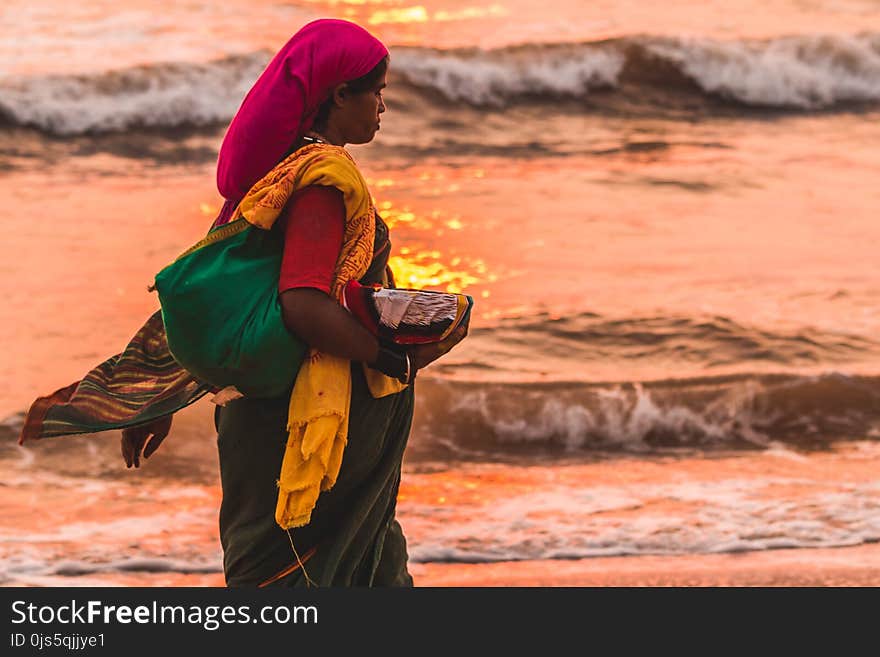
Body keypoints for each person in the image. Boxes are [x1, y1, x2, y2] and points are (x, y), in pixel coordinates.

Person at [21, 19, 469, 587]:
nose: (383, 106)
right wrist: (390, 359)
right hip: (303, 425)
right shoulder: (321, 182)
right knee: (291, 582)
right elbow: (301, 304)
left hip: (279, 421)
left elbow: (214, 300)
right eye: (377, 92)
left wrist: (160, 400)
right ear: (339, 95)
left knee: (362, 570)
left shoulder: (268, 182)